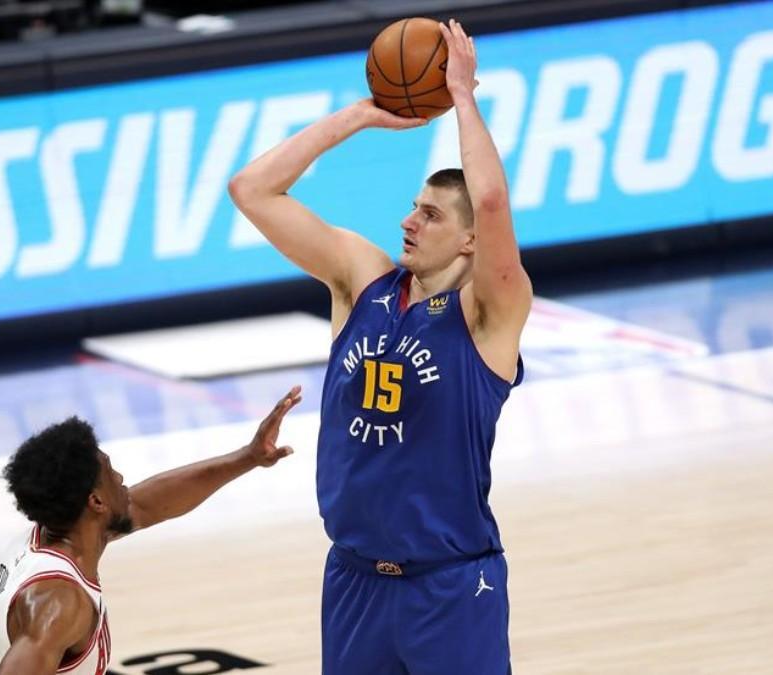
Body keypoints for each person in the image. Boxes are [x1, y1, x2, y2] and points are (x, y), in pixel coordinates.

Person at [229, 19, 531, 674]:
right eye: (413, 205)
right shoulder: (360, 280)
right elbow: (251, 189)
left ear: (471, 240)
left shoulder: (489, 314)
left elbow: (490, 196)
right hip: (354, 580)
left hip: (451, 586)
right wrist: (363, 115)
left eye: (430, 214)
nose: (408, 220)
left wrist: (461, 96)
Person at [0, 386, 303, 675]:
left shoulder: (54, 534)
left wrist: (248, 457)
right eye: (110, 471)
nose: (120, 479)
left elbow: (149, 505)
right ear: (96, 502)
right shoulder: (58, 602)